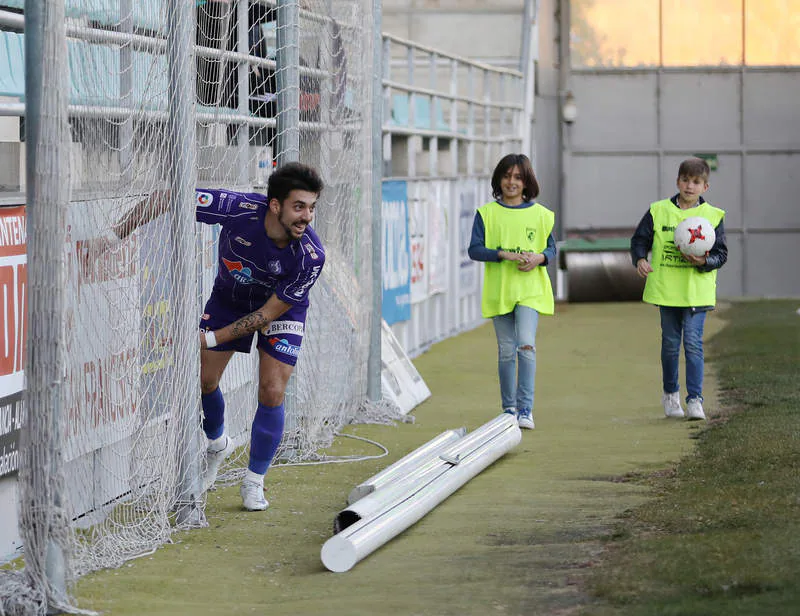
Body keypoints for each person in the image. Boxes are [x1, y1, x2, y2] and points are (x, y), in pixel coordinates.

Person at [81, 162, 325, 511]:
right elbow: (169, 197)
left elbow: (266, 316)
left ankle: (254, 482)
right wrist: (112, 237)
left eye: (312, 208)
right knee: (202, 381)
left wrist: (207, 339)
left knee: (272, 389)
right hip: (229, 299)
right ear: (275, 205)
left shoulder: (311, 256)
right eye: (299, 207)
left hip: (280, 309)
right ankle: (217, 443)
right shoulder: (239, 208)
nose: (307, 217)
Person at [630, 157, 727, 421]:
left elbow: (721, 254)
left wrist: (704, 261)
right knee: (671, 345)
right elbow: (640, 239)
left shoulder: (713, 216)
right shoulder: (658, 210)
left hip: (696, 292)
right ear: (677, 181)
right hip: (668, 291)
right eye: (685, 180)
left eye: (696, 182)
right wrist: (640, 258)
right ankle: (671, 393)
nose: (689, 186)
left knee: (693, 344)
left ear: (705, 187)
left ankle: (695, 399)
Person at [467, 154, 557, 430]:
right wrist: (502, 254)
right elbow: (474, 250)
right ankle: (509, 409)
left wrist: (539, 258)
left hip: (530, 290)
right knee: (507, 351)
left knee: (526, 345)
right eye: (507, 176)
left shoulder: (541, 215)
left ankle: (526, 410)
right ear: (499, 180)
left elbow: (551, 249)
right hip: (500, 290)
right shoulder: (486, 214)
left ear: (526, 181)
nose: (512, 182)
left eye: (518, 177)